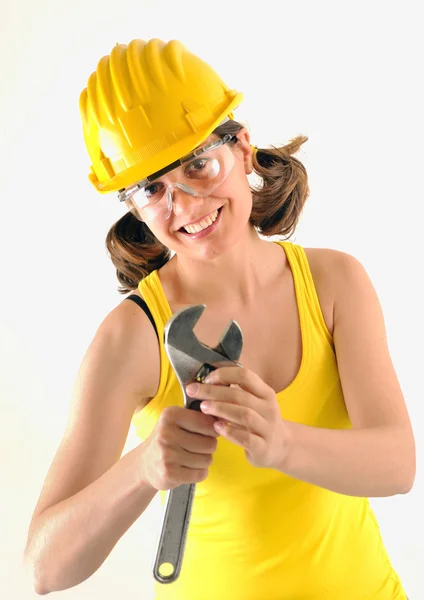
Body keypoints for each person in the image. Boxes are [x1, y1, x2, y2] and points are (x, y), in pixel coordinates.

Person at [24, 38, 415, 599]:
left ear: (243, 148)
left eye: (198, 164)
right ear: (132, 206)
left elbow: (397, 465)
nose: (184, 205)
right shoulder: (132, 337)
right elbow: (45, 568)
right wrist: (141, 469)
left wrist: (281, 444)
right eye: (151, 188)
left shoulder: (334, 284)